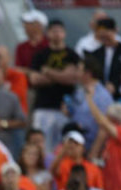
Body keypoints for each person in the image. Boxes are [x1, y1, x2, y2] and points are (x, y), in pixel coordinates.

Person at [28, 20, 81, 151]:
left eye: (60, 31)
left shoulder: (72, 55)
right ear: (48, 33)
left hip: (65, 108)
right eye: (53, 31)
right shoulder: (40, 55)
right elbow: (34, 80)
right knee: (41, 146)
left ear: (64, 34)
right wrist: (63, 75)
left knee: (63, 145)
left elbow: (74, 78)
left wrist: (48, 72)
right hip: (43, 107)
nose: (57, 34)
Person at [84, 17, 121, 94]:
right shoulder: (95, 54)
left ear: (114, 31)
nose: (105, 39)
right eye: (101, 37)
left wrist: (117, 86)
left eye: (107, 36)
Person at [68, 61, 114, 141]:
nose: (76, 73)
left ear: (88, 74)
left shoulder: (103, 96)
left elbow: (104, 127)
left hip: (91, 145)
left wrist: (94, 152)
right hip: (77, 143)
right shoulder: (79, 91)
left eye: (79, 70)